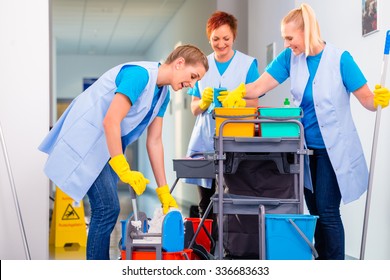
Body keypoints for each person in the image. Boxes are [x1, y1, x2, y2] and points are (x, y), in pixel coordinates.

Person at [219, 3, 390, 260]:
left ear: (306, 31)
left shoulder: (339, 59)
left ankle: (334, 268)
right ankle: (320, 264)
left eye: (290, 38)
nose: (287, 43)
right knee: (314, 211)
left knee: (328, 211)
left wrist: (378, 98)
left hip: (333, 151)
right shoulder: (290, 58)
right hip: (304, 152)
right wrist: (237, 93)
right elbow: (257, 87)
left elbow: (367, 99)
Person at [39, 44, 209, 260]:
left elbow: (154, 141)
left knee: (107, 209)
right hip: (89, 140)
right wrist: (122, 168)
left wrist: (163, 191)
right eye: (193, 76)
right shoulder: (139, 75)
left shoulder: (163, 94)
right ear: (179, 63)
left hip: (105, 146)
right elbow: (111, 121)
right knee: (106, 209)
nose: (192, 84)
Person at [183, 10, 260, 255]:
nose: (221, 44)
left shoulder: (248, 64)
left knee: (232, 199)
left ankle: (231, 251)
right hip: (204, 141)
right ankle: (206, 252)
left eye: (226, 38)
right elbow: (194, 108)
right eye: (216, 39)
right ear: (209, 38)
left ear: (234, 37)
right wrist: (203, 102)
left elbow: (255, 104)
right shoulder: (200, 65)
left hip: (235, 140)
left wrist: (237, 101)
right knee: (206, 202)